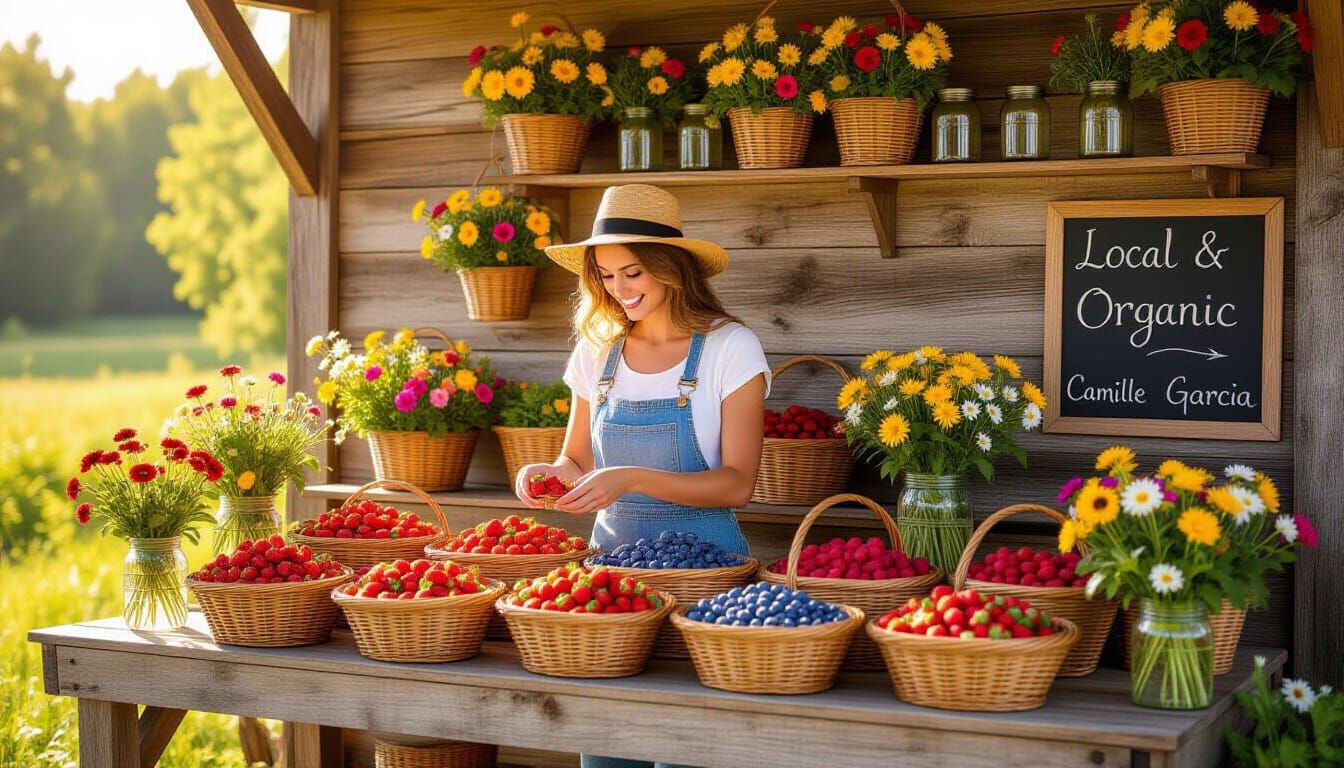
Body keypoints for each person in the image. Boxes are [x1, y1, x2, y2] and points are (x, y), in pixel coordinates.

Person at [514, 184, 769, 768]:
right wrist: (547, 474)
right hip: (610, 587)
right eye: (605, 277)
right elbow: (575, 458)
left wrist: (631, 478)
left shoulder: (731, 347)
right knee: (606, 749)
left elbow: (737, 484)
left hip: (705, 586)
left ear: (671, 269)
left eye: (632, 274)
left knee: (686, 749)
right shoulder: (596, 351)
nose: (618, 291)